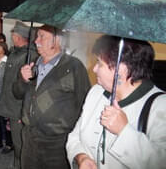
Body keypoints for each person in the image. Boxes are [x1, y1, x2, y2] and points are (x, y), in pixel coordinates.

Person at [66, 35, 166, 169]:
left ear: (122, 70)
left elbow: (160, 163)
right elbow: (74, 136)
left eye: (99, 63)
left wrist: (124, 131)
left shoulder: (160, 106)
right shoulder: (96, 92)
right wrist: (81, 157)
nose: (94, 69)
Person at [13, 25, 91, 169]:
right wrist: (23, 79)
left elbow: (86, 104)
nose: (36, 41)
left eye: (42, 36)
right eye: (36, 36)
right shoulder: (32, 64)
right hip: (30, 139)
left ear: (56, 40)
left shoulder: (73, 66)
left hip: (57, 143)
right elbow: (17, 93)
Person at [0, 21, 38, 167]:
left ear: (19, 37)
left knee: (22, 147)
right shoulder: (16, 53)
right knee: (17, 146)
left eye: (13, 34)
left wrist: (24, 112)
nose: (12, 37)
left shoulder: (30, 56)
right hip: (12, 107)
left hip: (20, 110)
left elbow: (30, 88)